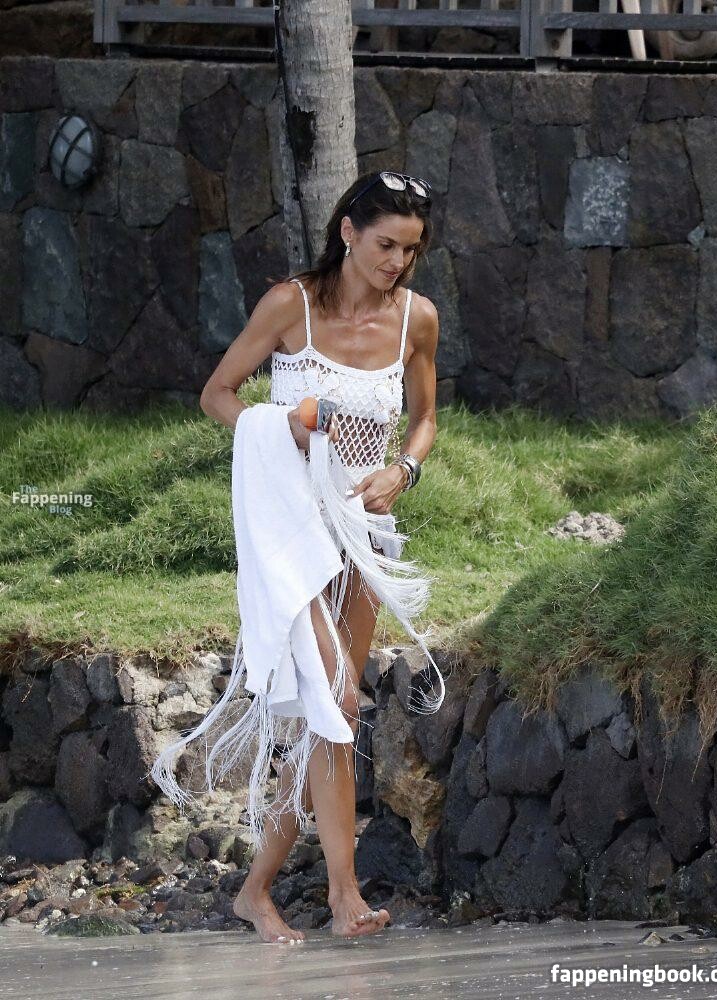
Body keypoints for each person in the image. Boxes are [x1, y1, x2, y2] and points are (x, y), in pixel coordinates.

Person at [195, 171, 440, 942]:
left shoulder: (416, 319)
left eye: (409, 250)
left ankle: (255, 892)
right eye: (385, 244)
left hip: (361, 535)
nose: (396, 261)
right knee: (338, 704)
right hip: (290, 527)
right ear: (347, 232)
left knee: (330, 717)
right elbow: (217, 394)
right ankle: (344, 895)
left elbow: (425, 420)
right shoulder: (289, 305)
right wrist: (285, 425)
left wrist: (404, 470)